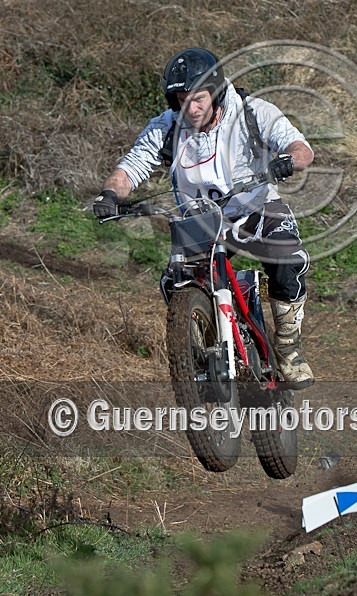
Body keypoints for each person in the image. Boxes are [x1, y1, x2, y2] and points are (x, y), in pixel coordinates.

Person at [93, 47, 314, 389]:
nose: (191, 108)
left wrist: (288, 160)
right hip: (201, 221)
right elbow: (129, 169)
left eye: (198, 99)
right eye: (182, 100)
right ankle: (201, 350)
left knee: (287, 257)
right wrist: (109, 195)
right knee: (174, 282)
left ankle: (287, 349)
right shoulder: (166, 127)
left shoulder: (253, 112)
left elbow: (300, 148)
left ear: (215, 92)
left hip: (255, 209)